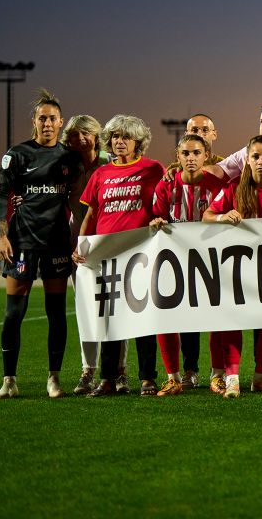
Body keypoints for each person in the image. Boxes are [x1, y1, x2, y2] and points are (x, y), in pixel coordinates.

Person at [0, 90, 83, 400]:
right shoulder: (17, 154)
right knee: (12, 314)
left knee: (56, 312)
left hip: (57, 242)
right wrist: (2, 235)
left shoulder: (70, 158)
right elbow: (2, 195)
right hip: (22, 243)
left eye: (52, 118)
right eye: (41, 118)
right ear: (34, 121)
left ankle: (53, 379)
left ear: (61, 123)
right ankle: (9, 380)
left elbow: (82, 194)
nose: (47, 123)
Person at [202, 135, 262, 396]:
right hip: (237, 267)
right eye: (254, 156)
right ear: (246, 159)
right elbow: (207, 216)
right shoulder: (235, 187)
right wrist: (224, 216)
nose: (259, 161)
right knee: (233, 317)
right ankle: (232, 379)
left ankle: (259, 377)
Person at [75, 114, 165, 397]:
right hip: (107, 256)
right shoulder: (100, 174)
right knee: (110, 319)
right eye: (115, 137)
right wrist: (81, 244)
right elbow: (91, 213)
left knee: (144, 317)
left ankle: (148, 378)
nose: (119, 142)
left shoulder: (153, 169)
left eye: (125, 137)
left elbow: (162, 206)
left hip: (142, 253)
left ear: (138, 141)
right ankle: (108, 379)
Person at [149, 134, 228, 395]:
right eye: (185, 153)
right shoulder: (165, 186)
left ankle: (217, 375)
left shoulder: (218, 184)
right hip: (175, 262)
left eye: (196, 153)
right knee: (168, 317)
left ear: (206, 155)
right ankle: (173, 377)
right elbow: (156, 218)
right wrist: (156, 223)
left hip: (210, 262)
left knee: (216, 319)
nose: (190, 158)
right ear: (178, 156)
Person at [61, 114, 120, 395]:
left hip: (110, 239)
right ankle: (88, 371)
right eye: (74, 135)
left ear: (96, 135)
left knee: (119, 309)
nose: (80, 139)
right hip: (80, 243)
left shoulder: (111, 161)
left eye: (85, 133)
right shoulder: (67, 165)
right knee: (85, 309)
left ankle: (119, 371)